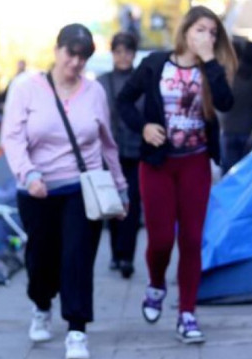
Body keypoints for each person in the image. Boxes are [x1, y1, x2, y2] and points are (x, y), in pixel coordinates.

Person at [1, 23, 128, 359]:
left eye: (83, 57)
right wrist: (28, 174)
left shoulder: (94, 92)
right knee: (41, 259)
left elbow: (107, 143)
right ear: (57, 51)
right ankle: (41, 304)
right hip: (37, 189)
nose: (75, 63)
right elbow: (11, 138)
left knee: (77, 256)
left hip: (79, 187)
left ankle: (76, 330)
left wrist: (120, 188)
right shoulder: (26, 88)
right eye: (71, 54)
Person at [117, 5, 237, 344]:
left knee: (191, 240)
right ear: (185, 31)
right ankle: (156, 284)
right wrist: (143, 127)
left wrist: (210, 60)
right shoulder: (155, 64)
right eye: (201, 30)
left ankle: (187, 313)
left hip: (195, 164)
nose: (207, 37)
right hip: (157, 165)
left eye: (213, 32)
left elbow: (226, 104)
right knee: (160, 241)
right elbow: (124, 101)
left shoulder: (212, 69)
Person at [98, 32, 143, 279]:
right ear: (112, 53)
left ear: (134, 54)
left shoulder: (143, 80)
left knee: (133, 205)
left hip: (137, 153)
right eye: (118, 52)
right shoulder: (104, 82)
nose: (123, 56)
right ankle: (116, 252)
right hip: (109, 153)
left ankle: (127, 257)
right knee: (112, 206)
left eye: (127, 51)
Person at [218, 40, 252, 173]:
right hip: (250, 129)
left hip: (229, 128)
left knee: (229, 172)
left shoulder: (230, 74)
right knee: (248, 172)